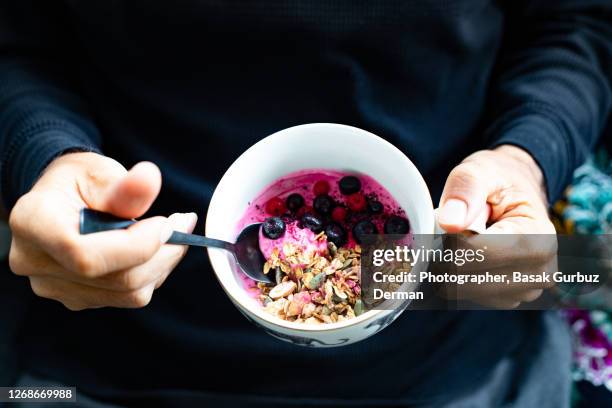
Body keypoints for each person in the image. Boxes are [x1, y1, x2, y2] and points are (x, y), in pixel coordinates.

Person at [1, 1, 610, 406]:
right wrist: (48, 157)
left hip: (455, 335)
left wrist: (526, 155)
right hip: (110, 349)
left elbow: (574, 22)